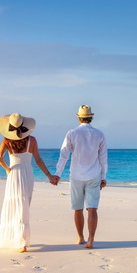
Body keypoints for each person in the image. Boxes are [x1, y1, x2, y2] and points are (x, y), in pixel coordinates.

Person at [0, 113, 59, 253]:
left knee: (14, 205)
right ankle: (22, 242)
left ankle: (17, 241)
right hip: (27, 174)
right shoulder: (32, 140)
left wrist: (7, 169)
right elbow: (38, 160)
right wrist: (49, 176)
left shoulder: (6, 141)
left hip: (14, 174)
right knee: (24, 205)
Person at [54, 105, 108, 249]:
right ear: (91, 117)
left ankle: (80, 238)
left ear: (79, 117)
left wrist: (57, 174)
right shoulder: (99, 134)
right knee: (92, 208)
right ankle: (90, 240)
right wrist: (103, 177)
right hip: (94, 175)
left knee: (77, 208)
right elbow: (103, 158)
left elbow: (64, 154)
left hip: (76, 175)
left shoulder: (72, 133)